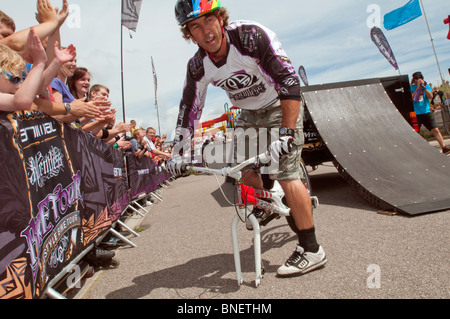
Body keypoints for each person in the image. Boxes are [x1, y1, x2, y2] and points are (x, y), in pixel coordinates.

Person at [170, 0, 327, 277]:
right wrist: (178, 152)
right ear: (189, 34)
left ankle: (312, 249)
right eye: (195, 26)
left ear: (220, 18)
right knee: (242, 171)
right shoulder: (198, 66)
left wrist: (287, 134)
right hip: (249, 114)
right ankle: (264, 202)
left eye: (209, 21)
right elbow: (190, 108)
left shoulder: (250, 38)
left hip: (280, 105)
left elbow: (289, 82)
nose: (206, 32)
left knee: (288, 174)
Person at [410, 72, 450, 154]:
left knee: (435, 129)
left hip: (426, 112)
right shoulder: (411, 87)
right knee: (415, 133)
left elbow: (430, 96)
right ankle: (414, 151)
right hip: (416, 113)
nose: (418, 80)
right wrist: (417, 88)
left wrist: (423, 88)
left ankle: (444, 147)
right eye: (416, 78)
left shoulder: (426, 86)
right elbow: (412, 98)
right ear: (414, 80)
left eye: (420, 78)